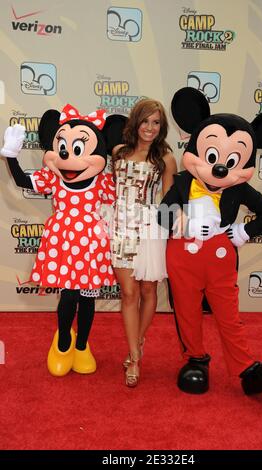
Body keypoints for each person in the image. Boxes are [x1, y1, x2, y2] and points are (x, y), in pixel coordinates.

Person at [158, 87, 262, 395]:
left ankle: (246, 367)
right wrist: (180, 221)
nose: (220, 167)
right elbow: (162, 213)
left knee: (228, 315)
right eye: (213, 156)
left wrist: (243, 232)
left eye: (232, 160)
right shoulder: (182, 182)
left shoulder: (237, 190)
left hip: (220, 255)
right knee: (187, 311)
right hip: (183, 255)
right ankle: (195, 359)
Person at [1, 106, 124, 377]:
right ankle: (64, 342)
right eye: (63, 148)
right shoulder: (53, 178)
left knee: (88, 297)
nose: (68, 156)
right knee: (69, 295)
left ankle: (82, 345)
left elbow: (124, 190)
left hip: (92, 243)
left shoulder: (102, 182)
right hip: (64, 240)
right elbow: (23, 180)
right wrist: (11, 155)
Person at [111, 98, 177, 387]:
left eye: (156, 122)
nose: (150, 127)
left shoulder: (165, 158)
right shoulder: (118, 153)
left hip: (150, 227)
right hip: (121, 227)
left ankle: (136, 342)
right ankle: (135, 357)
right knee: (128, 293)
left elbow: (169, 201)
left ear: (161, 127)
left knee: (148, 289)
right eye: (145, 121)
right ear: (135, 122)